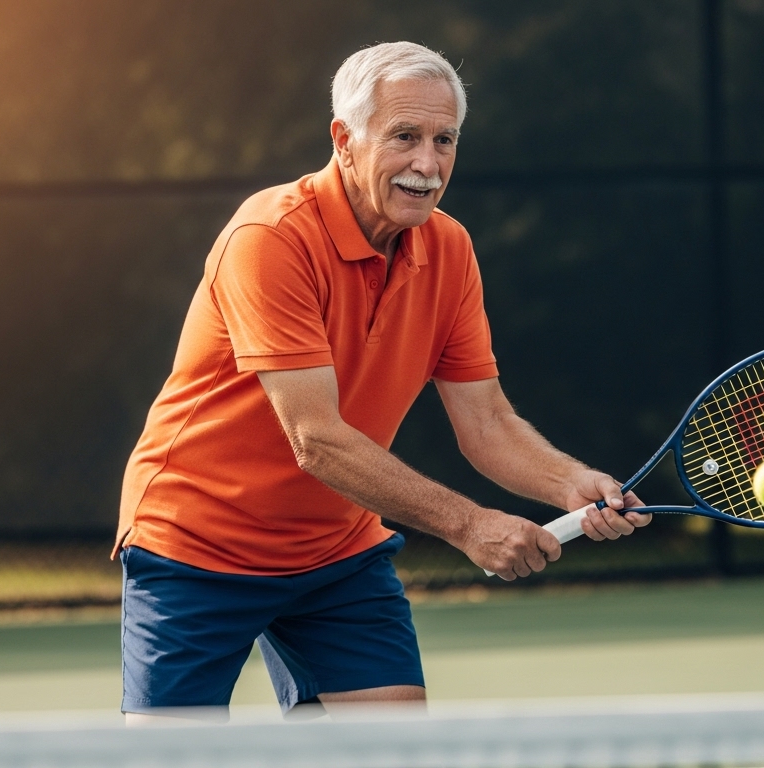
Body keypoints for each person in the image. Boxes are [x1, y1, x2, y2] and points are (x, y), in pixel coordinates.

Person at [114, 41, 649, 722]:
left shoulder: (449, 248)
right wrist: (469, 524)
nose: (428, 165)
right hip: (197, 543)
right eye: (405, 137)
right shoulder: (270, 237)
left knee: (393, 752)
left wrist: (568, 483)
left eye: (444, 139)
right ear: (344, 138)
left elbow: (486, 423)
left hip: (336, 554)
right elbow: (317, 439)